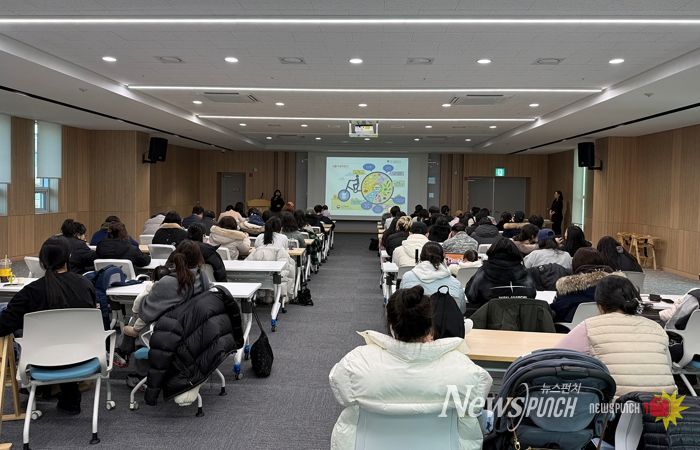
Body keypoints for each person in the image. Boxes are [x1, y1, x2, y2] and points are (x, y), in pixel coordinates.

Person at [329, 286, 492, 450]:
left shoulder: (356, 364)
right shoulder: (466, 371)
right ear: (430, 326)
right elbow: (474, 407)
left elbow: (341, 391)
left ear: (392, 326)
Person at [0, 237, 97, 414]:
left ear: (41, 261)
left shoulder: (31, 292)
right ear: (68, 257)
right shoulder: (85, 284)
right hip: (83, 355)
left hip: (41, 358)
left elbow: (4, 325)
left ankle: (47, 388)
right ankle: (64, 390)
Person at [556, 276, 676, 396]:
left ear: (599, 305)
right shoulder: (656, 328)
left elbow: (556, 357)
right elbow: (668, 366)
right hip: (665, 403)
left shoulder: (590, 327)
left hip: (616, 403)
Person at [551, 248, 615, 323]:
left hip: (572, 328)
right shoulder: (616, 287)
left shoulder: (567, 290)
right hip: (610, 327)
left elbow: (558, 312)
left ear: (574, 264)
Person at [466, 237, 536, 306]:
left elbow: (471, 295)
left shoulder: (483, 272)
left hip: (490, 312)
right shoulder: (524, 272)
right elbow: (532, 295)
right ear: (516, 253)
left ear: (491, 252)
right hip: (520, 312)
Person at [400, 242, 467, 312]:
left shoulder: (407, 277)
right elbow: (461, 310)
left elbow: (400, 304)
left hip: (413, 318)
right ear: (443, 258)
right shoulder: (455, 283)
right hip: (446, 318)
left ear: (421, 257)